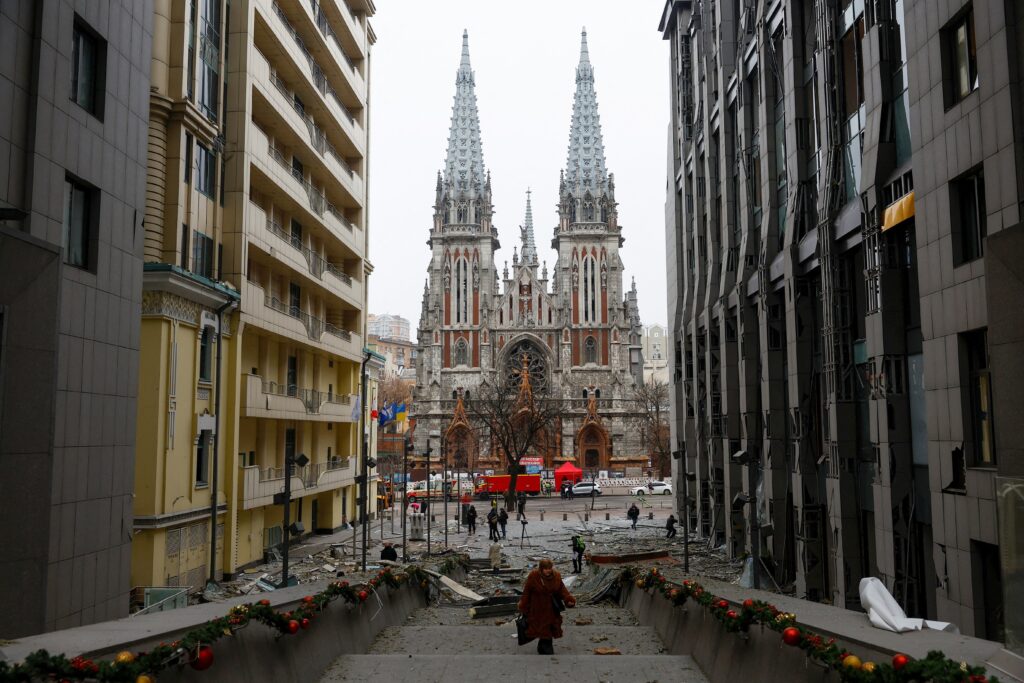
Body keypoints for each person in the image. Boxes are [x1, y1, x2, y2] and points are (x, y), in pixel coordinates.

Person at [518, 558, 576, 654]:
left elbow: (562, 590)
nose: (548, 570)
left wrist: (568, 600)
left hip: (552, 608)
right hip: (537, 608)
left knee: (549, 627)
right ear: (541, 568)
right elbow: (526, 592)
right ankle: (544, 647)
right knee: (541, 628)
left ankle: (544, 646)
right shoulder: (534, 576)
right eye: (545, 568)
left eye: (549, 568)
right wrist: (523, 606)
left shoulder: (556, 576)